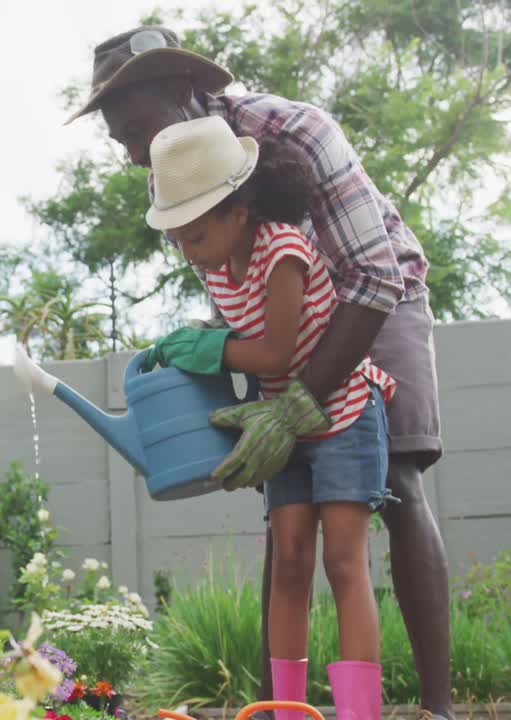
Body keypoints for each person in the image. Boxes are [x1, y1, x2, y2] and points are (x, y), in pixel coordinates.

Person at [65, 27, 453, 720]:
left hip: (374, 296)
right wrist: (208, 357)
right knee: (288, 520)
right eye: (117, 139)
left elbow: (372, 277)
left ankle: (435, 708)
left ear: (187, 92)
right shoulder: (174, 166)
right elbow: (238, 302)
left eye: (133, 129)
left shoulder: (296, 131)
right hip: (281, 325)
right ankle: (283, 708)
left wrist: (300, 399)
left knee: (394, 478)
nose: (129, 155)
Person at [143, 116, 396, 719]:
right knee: (287, 562)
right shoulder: (214, 262)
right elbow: (245, 336)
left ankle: (359, 713)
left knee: (342, 560)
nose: (189, 252)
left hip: (339, 412)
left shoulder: (281, 247)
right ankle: (287, 713)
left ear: (238, 210)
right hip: (279, 428)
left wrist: (208, 347)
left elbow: (277, 352)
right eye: (177, 239)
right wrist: (204, 341)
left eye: (196, 235)